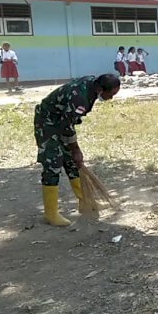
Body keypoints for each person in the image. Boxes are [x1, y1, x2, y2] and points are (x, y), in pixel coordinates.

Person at [33, 74, 121, 226]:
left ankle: (86, 202)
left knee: (73, 163)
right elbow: (67, 126)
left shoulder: (92, 84)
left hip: (61, 121)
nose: (110, 98)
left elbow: (68, 123)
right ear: (100, 89)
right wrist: (76, 149)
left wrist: (73, 153)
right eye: (110, 94)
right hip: (47, 123)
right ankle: (51, 213)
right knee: (53, 164)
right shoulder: (79, 99)